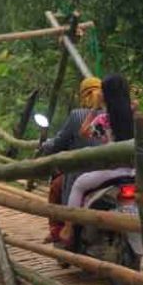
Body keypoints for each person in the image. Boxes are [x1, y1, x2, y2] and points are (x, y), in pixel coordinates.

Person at [40, 77, 105, 241]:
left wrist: (46, 145)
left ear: (83, 95)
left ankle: (58, 231)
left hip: (80, 173)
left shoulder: (77, 115)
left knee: (56, 187)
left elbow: (59, 143)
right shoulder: (112, 114)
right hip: (111, 172)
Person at [62, 74, 136, 211]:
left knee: (78, 185)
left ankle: (69, 226)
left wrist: (95, 108)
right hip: (136, 172)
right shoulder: (137, 117)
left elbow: (83, 132)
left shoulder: (103, 120)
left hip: (113, 171)